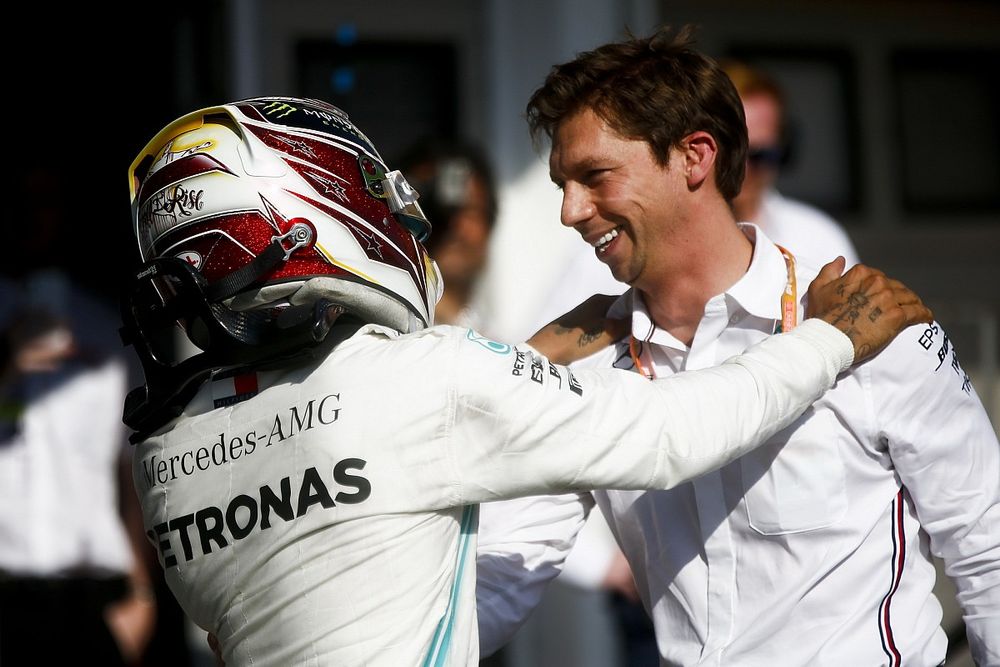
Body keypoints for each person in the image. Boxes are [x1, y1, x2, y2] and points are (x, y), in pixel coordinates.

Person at [122, 96, 927, 666]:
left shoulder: (165, 453)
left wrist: (527, 356)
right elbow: (672, 434)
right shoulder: (424, 381)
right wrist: (829, 337)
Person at [476, 26, 999, 666]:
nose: (570, 211)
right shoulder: (584, 362)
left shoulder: (868, 321)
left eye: (595, 175)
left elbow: (987, 545)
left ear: (694, 157)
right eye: (564, 183)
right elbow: (499, 578)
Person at [721, 58, 860, 267]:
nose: (743, 168)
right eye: (731, 152)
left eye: (761, 155)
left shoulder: (819, 239)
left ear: (784, 150)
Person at [396, 139, 498, 331]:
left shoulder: (514, 330)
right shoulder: (373, 333)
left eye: (467, 210)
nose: (451, 224)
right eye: (428, 208)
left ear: (490, 222)